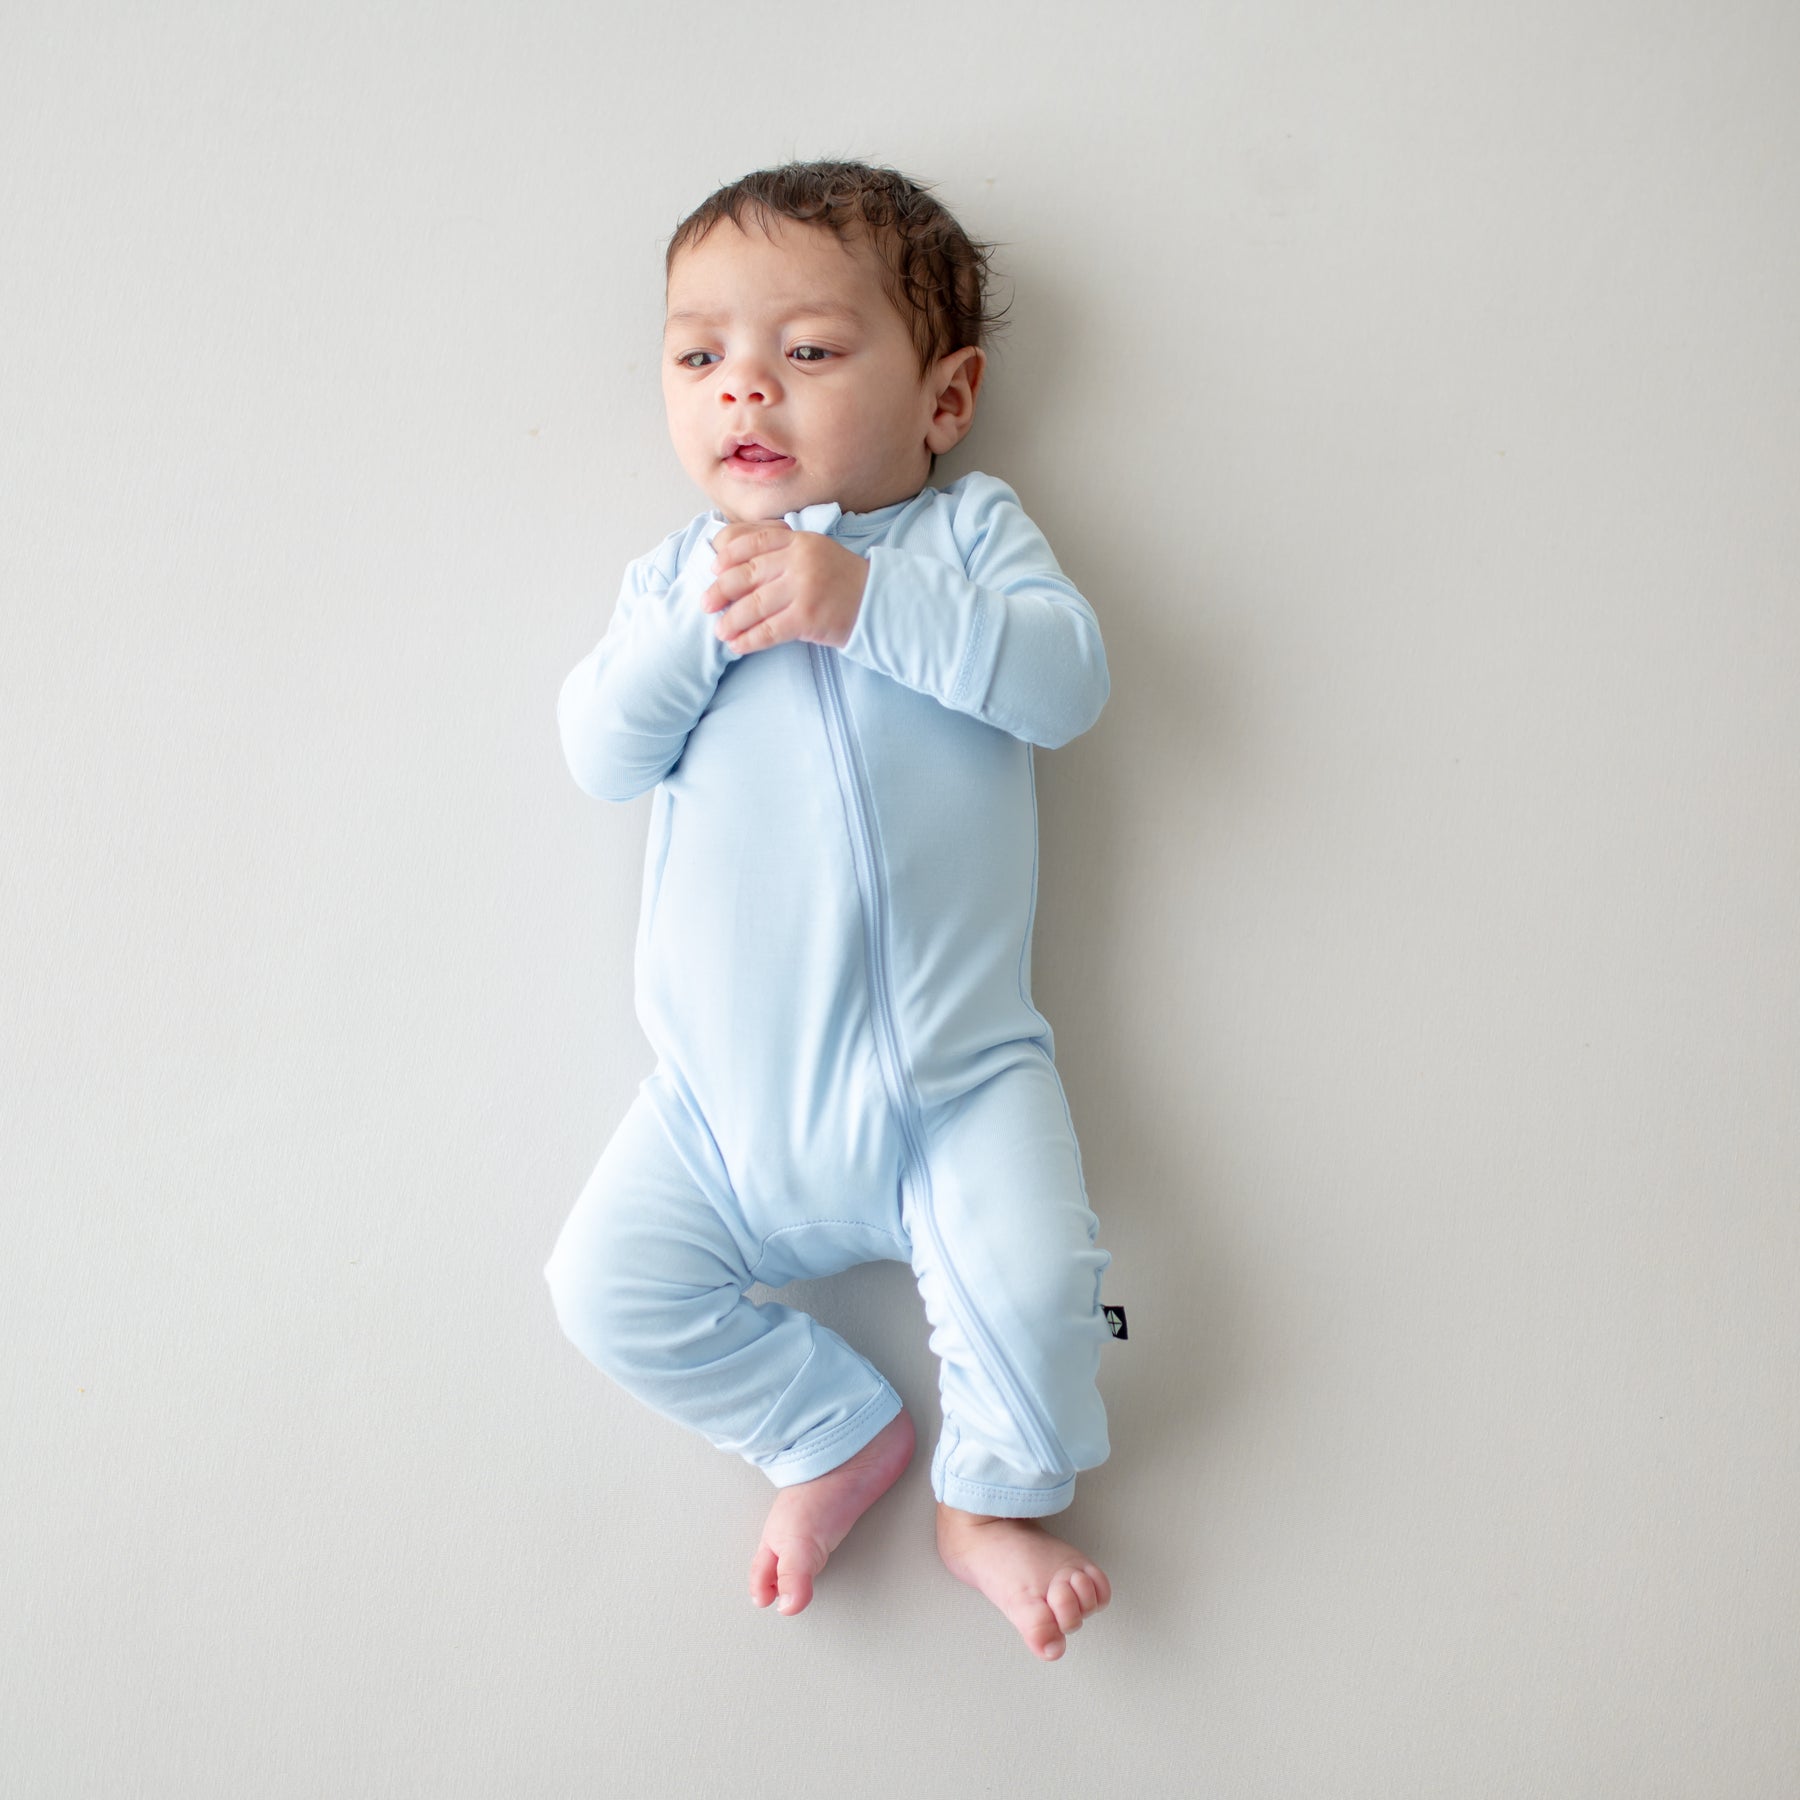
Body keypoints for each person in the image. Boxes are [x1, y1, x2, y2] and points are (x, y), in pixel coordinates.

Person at [544, 159, 1115, 1662]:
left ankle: (987, 1502)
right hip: (719, 1106)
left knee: (1041, 1289)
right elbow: (600, 752)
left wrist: (857, 599)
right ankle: (827, 1432)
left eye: (805, 351)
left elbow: (1065, 684)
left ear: (945, 398)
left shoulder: (966, 540)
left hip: (957, 1084)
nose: (745, 388)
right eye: (699, 358)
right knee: (603, 1290)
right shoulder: (674, 581)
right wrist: (700, 627)